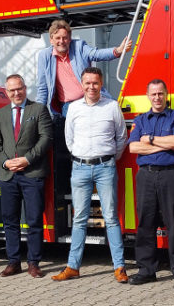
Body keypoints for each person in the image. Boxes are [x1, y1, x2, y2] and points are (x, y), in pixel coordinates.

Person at [51, 67, 128, 283]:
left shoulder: (112, 107)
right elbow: (69, 139)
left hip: (105, 167)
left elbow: (121, 138)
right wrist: (81, 157)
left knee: (111, 218)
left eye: (95, 83)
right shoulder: (74, 108)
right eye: (87, 83)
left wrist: (110, 158)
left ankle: (119, 267)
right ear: (82, 85)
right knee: (79, 219)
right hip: (80, 168)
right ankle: (73, 267)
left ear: (101, 84)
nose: (91, 87)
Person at [127, 79, 174, 288]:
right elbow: (133, 148)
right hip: (145, 176)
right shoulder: (140, 120)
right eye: (153, 94)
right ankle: (146, 270)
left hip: (169, 175)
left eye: (160, 94)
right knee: (145, 224)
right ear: (148, 96)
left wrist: (152, 140)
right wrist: (163, 146)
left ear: (167, 95)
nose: (157, 97)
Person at [0, 74, 52, 278]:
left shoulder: (39, 109)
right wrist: (6, 161)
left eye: (19, 89)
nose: (16, 93)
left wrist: (27, 159)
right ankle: (13, 262)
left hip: (32, 173)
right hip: (8, 175)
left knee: (34, 220)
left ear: (25, 88)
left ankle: (34, 262)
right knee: (10, 221)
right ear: (6, 92)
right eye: (12, 90)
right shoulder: (0, 114)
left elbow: (46, 138)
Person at [36, 19, 132, 116]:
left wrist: (118, 50)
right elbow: (43, 88)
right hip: (67, 107)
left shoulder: (79, 46)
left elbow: (96, 54)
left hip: (90, 101)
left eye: (65, 38)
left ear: (70, 39)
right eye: (58, 38)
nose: (62, 41)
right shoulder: (44, 56)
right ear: (51, 40)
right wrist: (37, 114)